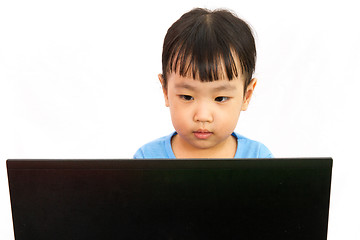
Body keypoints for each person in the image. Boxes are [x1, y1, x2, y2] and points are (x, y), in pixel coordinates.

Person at [134, 8, 273, 159]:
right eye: (187, 97)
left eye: (220, 98)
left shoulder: (258, 158)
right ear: (166, 91)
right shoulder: (147, 160)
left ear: (246, 96)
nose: (203, 116)